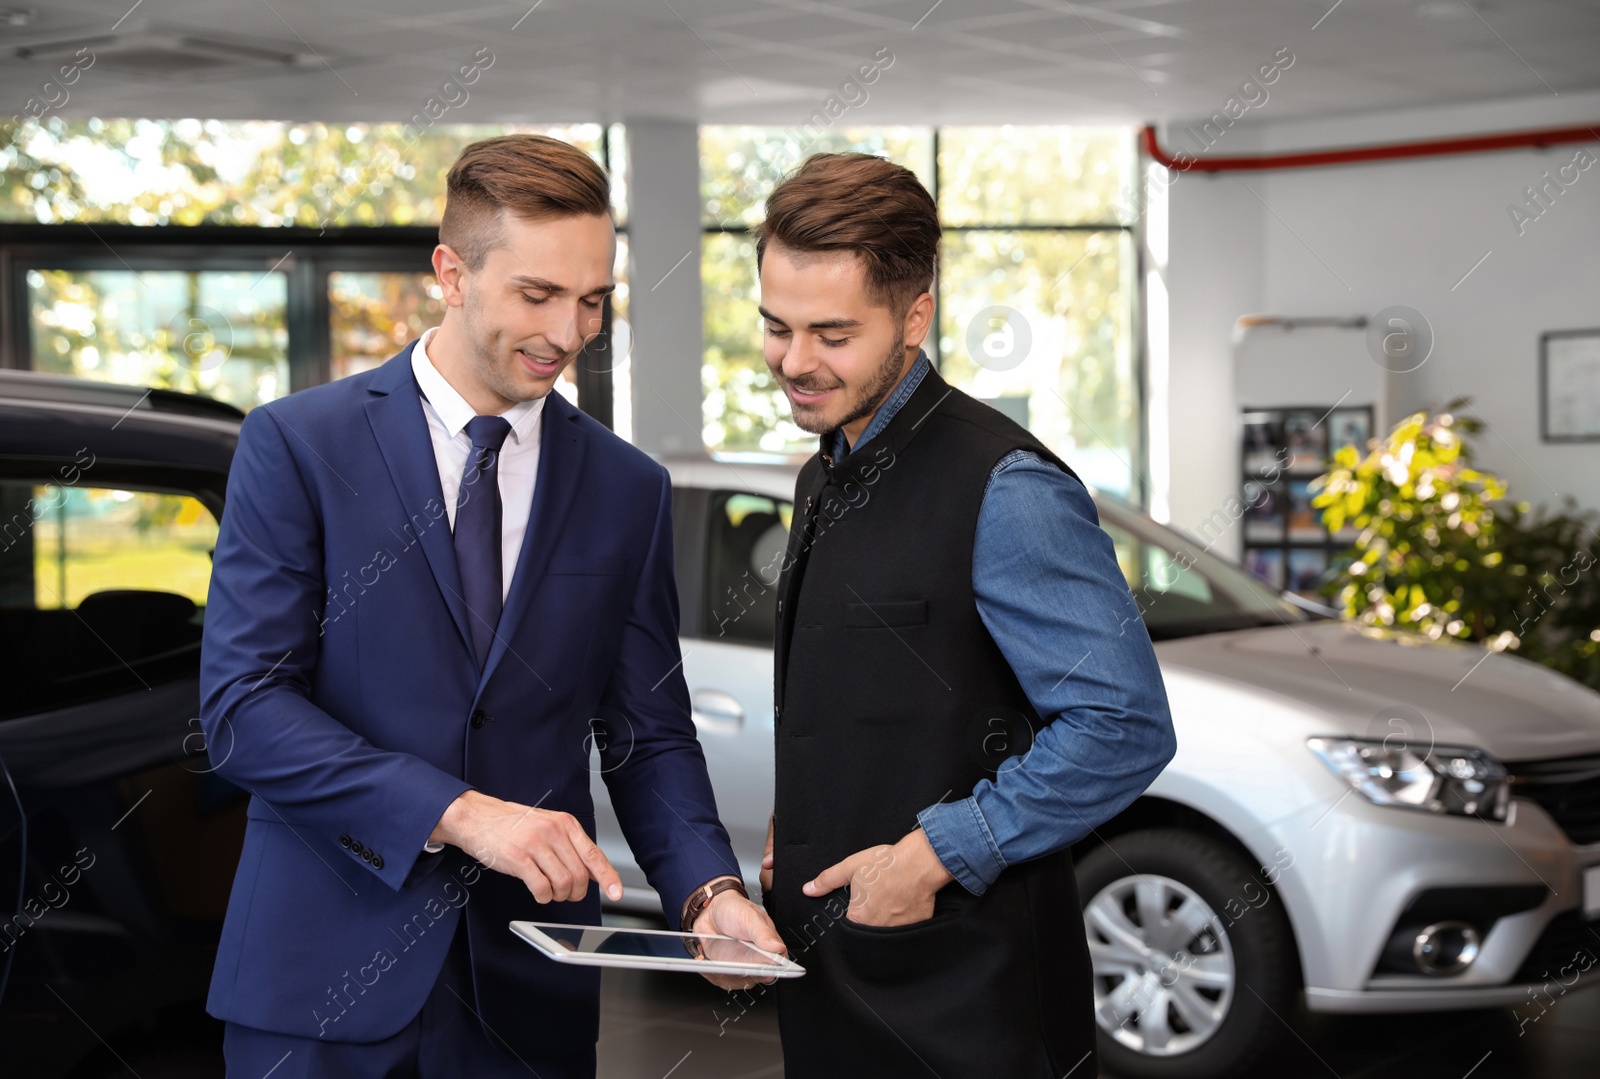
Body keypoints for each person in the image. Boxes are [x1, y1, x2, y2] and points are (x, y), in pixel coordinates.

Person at [201, 134, 782, 1079]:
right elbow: (242, 712)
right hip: (317, 985)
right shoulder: (296, 447)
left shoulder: (627, 486)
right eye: (538, 294)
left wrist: (706, 890)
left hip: (529, 998)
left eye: (593, 299)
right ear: (451, 273)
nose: (569, 330)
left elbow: (647, 732)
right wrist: (463, 812)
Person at [754, 153, 1177, 1077]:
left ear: (916, 316)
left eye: (831, 333)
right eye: (775, 327)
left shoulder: (1007, 487)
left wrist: (935, 855)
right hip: (831, 979)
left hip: (966, 1001)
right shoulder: (819, 472)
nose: (794, 362)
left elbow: (1124, 723)